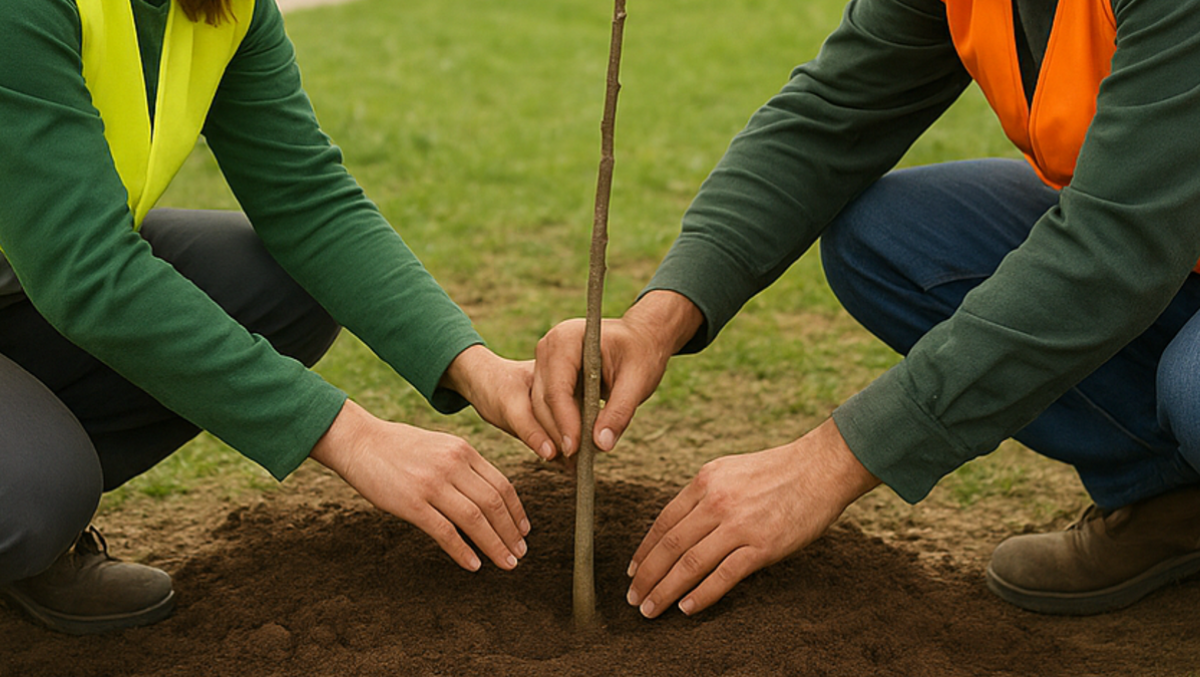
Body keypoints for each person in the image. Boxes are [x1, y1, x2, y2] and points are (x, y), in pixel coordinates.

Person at [532, 0, 1200, 620]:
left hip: (1145, 242)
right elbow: (834, 115)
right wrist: (656, 319)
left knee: (1193, 383)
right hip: (1170, 245)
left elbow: (1115, 250)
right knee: (889, 238)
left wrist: (824, 464)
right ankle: (1172, 499)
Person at [0, 0, 554, 635]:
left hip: (23, 278)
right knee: (30, 496)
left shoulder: (225, 7)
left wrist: (474, 366)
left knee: (278, 286)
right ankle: (25, 496)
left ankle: (29, 512)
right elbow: (88, 270)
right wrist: (354, 436)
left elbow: (305, 196)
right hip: (55, 268)